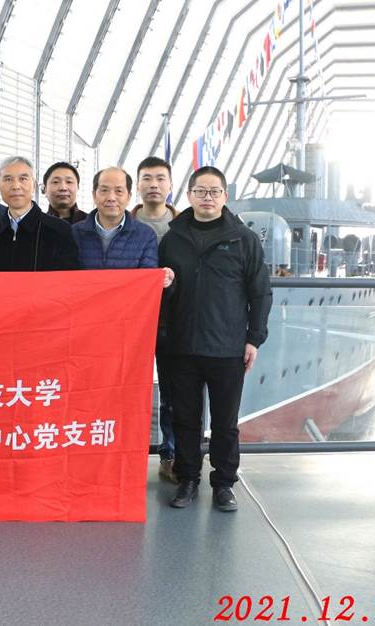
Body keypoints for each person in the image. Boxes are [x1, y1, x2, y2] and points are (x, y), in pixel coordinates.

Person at [158, 166, 272, 512]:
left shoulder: (243, 239)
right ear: (189, 195)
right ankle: (188, 479)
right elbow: (162, 294)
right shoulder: (173, 239)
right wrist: (166, 286)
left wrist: (253, 339)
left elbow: (261, 293)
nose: (207, 198)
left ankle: (223, 483)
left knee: (225, 422)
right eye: (201, 191)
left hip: (227, 347)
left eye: (214, 192)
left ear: (225, 196)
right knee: (185, 419)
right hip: (182, 346)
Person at [131, 156, 180, 483]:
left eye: (160, 178)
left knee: (174, 395)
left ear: (170, 185)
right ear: (137, 185)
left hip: (173, 322)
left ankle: (170, 456)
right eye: (147, 178)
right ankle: (127, 456)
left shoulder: (184, 226)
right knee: (125, 392)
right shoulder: (124, 224)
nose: (153, 185)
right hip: (132, 324)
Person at [0, 156, 78, 271]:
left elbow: (68, 277)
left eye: (23, 179)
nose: (16, 186)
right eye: (8, 179)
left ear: (34, 185)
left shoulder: (60, 230)